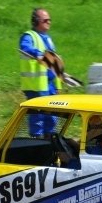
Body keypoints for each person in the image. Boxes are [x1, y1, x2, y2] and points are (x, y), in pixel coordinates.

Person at [19, 8, 63, 137]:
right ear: (37, 21)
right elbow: (25, 48)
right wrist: (38, 54)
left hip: (49, 86)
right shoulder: (29, 36)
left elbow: (53, 62)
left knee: (52, 116)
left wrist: (57, 86)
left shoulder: (48, 39)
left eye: (50, 20)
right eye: (46, 20)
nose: (49, 22)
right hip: (36, 86)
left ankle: (50, 140)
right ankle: (36, 141)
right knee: (38, 116)